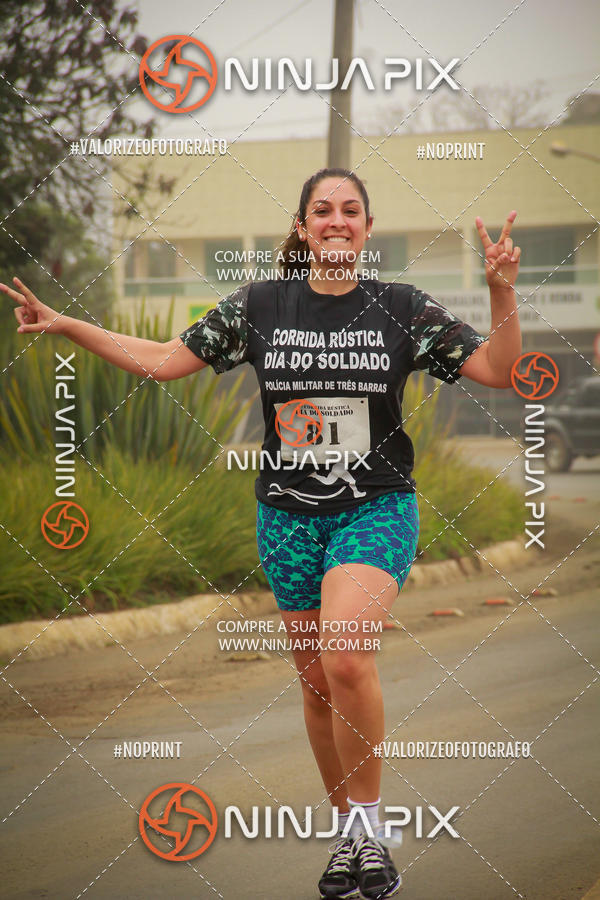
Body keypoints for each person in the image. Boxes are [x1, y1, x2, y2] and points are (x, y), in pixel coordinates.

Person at [1, 167, 522, 899]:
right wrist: (67, 325)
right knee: (315, 689)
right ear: (304, 228)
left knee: (345, 661)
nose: (337, 220)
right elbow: (162, 362)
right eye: (322, 210)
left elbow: (501, 369)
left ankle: (372, 830)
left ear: (367, 230)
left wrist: (501, 289)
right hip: (286, 520)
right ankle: (349, 838)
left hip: (374, 509)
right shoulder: (260, 306)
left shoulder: (403, 307)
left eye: (351, 211)